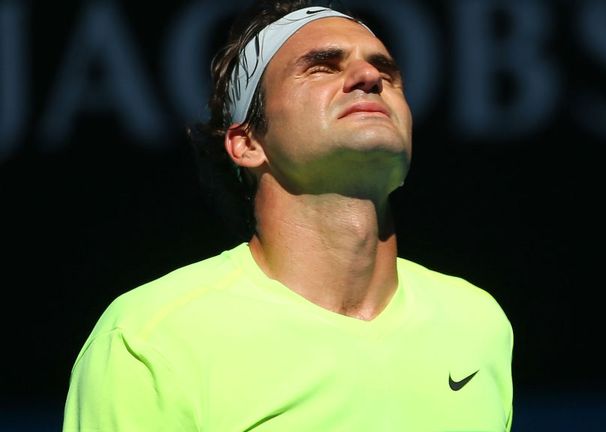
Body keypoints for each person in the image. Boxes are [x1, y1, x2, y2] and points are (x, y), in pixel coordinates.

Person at [62, 1, 514, 430]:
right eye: (321, 66)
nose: (369, 76)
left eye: (388, 72)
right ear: (247, 143)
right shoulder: (148, 341)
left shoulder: (477, 322)